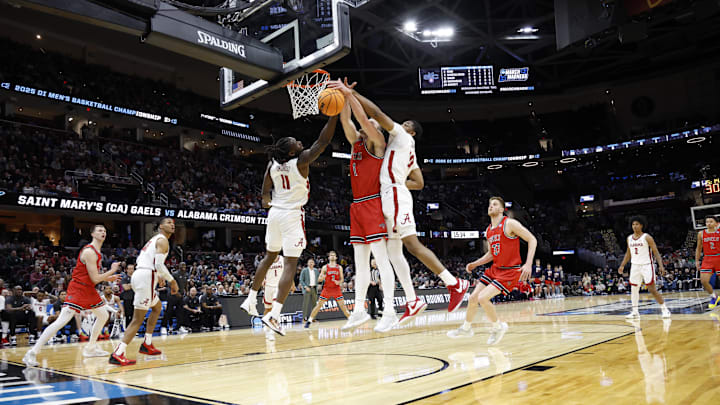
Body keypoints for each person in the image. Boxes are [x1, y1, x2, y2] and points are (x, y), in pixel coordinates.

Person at [329, 80, 469, 325]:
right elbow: (420, 182)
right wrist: (401, 182)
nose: (400, 124)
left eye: (406, 124)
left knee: (411, 246)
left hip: (390, 196)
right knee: (394, 252)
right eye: (401, 123)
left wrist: (350, 94)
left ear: (411, 131)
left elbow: (374, 115)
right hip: (388, 195)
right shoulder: (401, 148)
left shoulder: (399, 137)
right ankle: (413, 300)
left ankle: (454, 283)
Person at [239, 115, 339, 336]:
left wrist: (267, 203)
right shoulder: (301, 161)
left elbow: (265, 193)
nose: (300, 141)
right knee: (290, 265)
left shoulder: (273, 164)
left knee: (269, 257)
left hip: (274, 213)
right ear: (292, 152)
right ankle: (274, 314)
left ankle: (250, 299)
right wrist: (334, 116)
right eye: (296, 142)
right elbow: (322, 142)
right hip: (292, 215)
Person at [332, 88, 399, 332]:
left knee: (381, 260)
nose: (367, 123)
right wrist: (342, 99)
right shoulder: (356, 143)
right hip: (357, 206)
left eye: (371, 123)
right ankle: (359, 310)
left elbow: (361, 119)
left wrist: (349, 94)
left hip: (372, 204)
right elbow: (345, 120)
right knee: (360, 263)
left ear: (377, 130)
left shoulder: (378, 144)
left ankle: (390, 310)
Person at [23, 225, 121, 366]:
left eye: (105, 230)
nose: (103, 232)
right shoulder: (90, 252)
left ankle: (91, 348)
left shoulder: (97, 251)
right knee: (61, 321)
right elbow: (95, 279)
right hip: (78, 289)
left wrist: (106, 278)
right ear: (92, 234)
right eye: (100, 230)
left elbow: (92, 277)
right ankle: (31, 353)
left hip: (88, 289)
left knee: (103, 315)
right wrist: (111, 271)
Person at [447, 197, 537, 345]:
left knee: (483, 298)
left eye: (494, 204)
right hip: (495, 269)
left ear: (502, 209)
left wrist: (528, 264)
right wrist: (475, 264)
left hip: (510, 271)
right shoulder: (489, 230)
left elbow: (532, 239)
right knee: (473, 298)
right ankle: (466, 328)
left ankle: (498, 327)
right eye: (489, 204)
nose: (491, 206)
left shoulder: (510, 224)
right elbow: (491, 254)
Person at [109, 218, 179, 366]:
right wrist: (172, 280)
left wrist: (159, 275)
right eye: (168, 222)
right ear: (160, 226)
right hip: (146, 278)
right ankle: (118, 353)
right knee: (137, 319)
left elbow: (152, 262)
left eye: (173, 223)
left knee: (157, 307)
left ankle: (147, 343)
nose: (172, 224)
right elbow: (159, 264)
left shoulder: (154, 240)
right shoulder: (162, 240)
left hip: (142, 275)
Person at [617, 216, 671, 319]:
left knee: (652, 289)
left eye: (637, 224)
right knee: (634, 289)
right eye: (633, 224)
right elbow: (628, 253)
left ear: (641, 225)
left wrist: (661, 266)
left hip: (647, 265)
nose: (635, 226)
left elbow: (656, 252)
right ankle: (635, 312)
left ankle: (665, 309)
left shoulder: (647, 237)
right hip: (635, 266)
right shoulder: (629, 238)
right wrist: (622, 265)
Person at [305, 251, 351, 328]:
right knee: (318, 305)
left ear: (336, 257)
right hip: (327, 289)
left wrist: (338, 282)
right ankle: (309, 321)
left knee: (343, 306)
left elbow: (342, 279)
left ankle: (350, 320)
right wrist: (321, 278)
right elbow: (319, 279)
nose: (332, 256)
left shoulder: (339, 267)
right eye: (331, 255)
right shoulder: (325, 267)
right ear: (328, 257)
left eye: (334, 255)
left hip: (336, 289)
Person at [696, 215, 720, 309]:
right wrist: (697, 260)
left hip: (719, 257)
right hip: (707, 258)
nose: (708, 223)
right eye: (707, 222)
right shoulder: (701, 234)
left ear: (716, 223)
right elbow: (698, 248)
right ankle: (714, 297)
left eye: (711, 221)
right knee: (704, 281)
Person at [261, 255, 284, 341]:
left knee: (275, 307)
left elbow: (287, 271)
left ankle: (272, 332)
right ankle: (266, 327)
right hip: (268, 287)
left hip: (278, 286)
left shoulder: (282, 259)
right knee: (267, 309)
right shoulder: (266, 260)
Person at [162, 262, 188, 334]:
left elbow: (185, 284)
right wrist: (176, 293)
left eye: (184, 265)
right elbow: (170, 284)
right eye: (182, 265)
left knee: (180, 312)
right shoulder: (175, 274)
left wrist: (187, 291)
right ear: (179, 266)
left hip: (180, 296)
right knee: (168, 311)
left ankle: (179, 327)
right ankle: (164, 327)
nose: (184, 266)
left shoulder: (185, 275)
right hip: (172, 295)